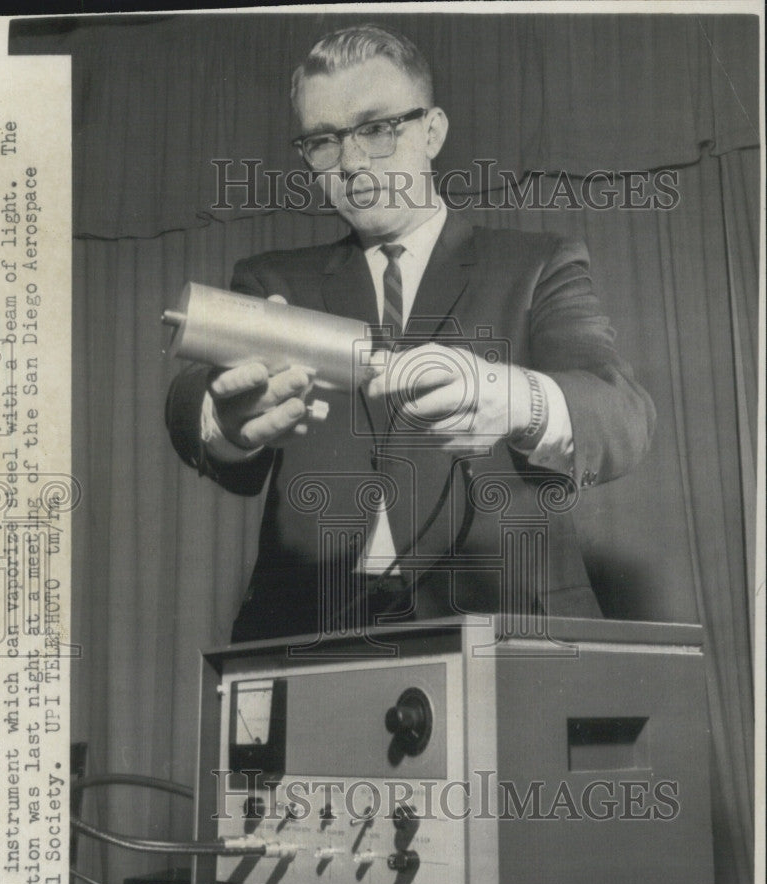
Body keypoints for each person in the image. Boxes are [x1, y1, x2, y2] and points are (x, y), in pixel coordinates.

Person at [166, 25, 656, 643]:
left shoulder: (537, 265)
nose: (350, 162)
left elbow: (621, 415)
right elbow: (192, 395)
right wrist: (222, 420)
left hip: (511, 637)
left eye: (376, 128)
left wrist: (513, 398)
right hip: (311, 641)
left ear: (433, 132)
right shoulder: (271, 281)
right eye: (323, 140)